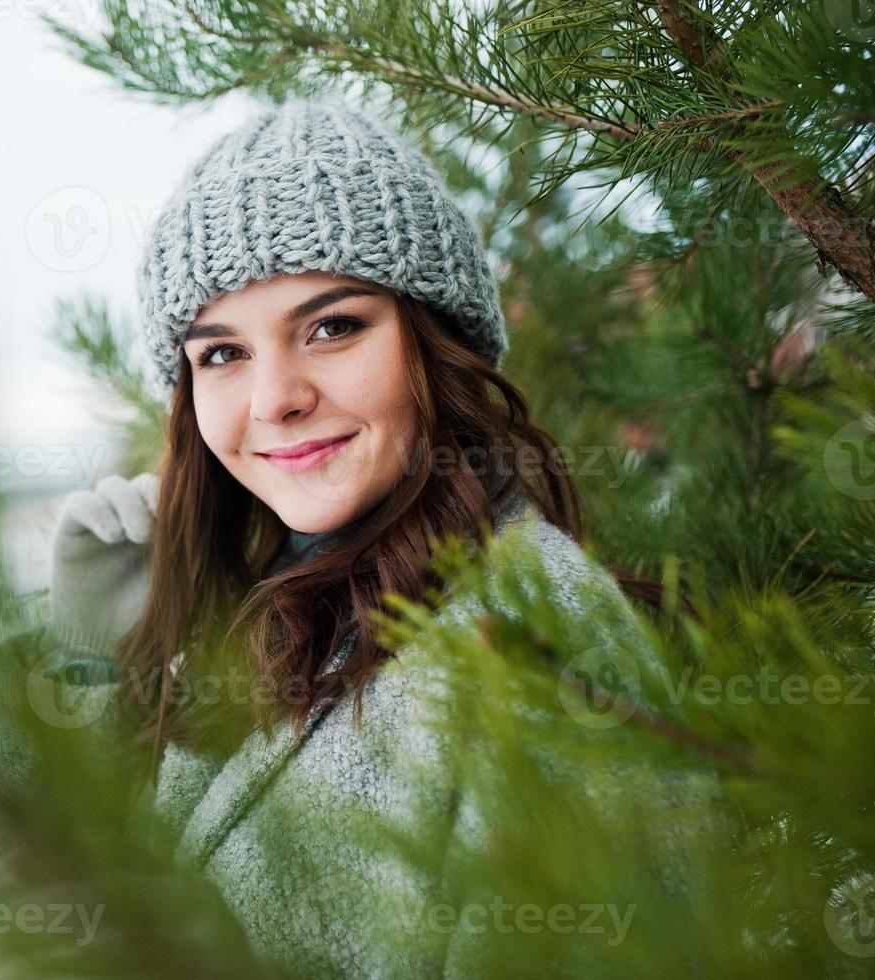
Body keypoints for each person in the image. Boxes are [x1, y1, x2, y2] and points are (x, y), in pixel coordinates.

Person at [40, 97, 711, 978]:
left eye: (331, 327)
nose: (274, 397)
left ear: (437, 345)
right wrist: (99, 658)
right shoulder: (270, 615)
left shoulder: (538, 642)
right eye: (221, 353)